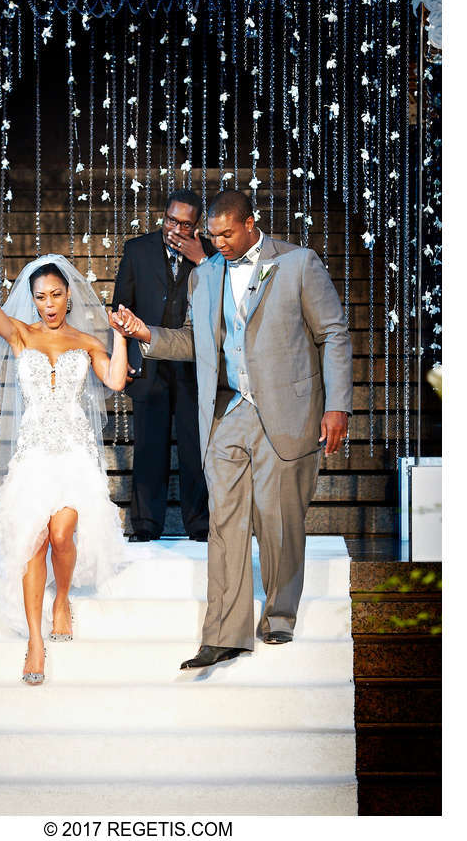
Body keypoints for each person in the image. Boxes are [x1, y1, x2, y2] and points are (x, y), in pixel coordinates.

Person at [112, 189, 353, 669]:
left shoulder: (298, 263)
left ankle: (280, 615)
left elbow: (333, 333)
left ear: (250, 223)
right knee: (224, 522)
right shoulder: (204, 277)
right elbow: (194, 343)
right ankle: (224, 632)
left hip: (289, 410)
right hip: (230, 411)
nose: (217, 242)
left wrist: (338, 407)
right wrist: (146, 335)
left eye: (225, 234)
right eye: (213, 235)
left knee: (279, 520)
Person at [0, 221, 129, 685]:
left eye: (55, 295)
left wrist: (122, 336)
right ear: (34, 299)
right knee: (35, 539)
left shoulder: (87, 341)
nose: (49, 304)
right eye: (41, 297)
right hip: (33, 454)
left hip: (73, 451)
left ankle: (63, 597)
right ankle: (35, 641)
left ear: (68, 294)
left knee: (63, 531)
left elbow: (113, 381)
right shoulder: (22, 336)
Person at [112, 189, 215, 542]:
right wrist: (124, 356)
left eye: (185, 224)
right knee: (149, 446)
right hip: (148, 362)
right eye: (171, 219)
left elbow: (225, 301)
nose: (175, 227)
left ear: (197, 226)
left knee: (194, 445)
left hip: (193, 365)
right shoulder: (137, 250)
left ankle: (199, 523)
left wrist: (202, 259)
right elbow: (120, 306)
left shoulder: (212, 256)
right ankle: (145, 524)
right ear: (164, 216)